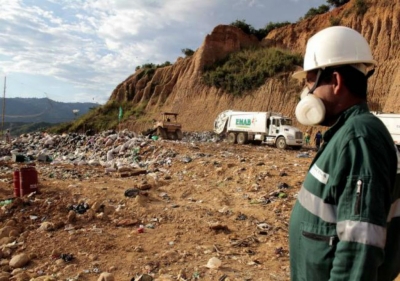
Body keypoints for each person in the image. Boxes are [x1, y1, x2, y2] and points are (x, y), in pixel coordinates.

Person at [289, 26, 400, 281]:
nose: (307, 93)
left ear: (336, 82)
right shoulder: (348, 133)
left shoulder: (358, 139)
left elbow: (358, 253)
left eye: (310, 82)